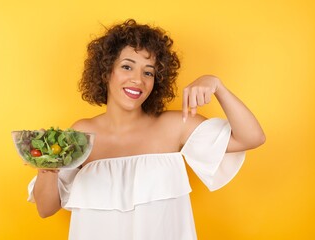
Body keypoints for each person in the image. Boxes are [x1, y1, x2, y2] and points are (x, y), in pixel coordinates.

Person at [28, 19, 265, 240]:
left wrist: (216, 85)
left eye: (148, 72)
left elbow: (252, 137)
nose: (138, 80)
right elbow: (46, 208)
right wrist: (47, 166)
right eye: (127, 67)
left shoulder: (173, 126)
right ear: (106, 71)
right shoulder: (82, 133)